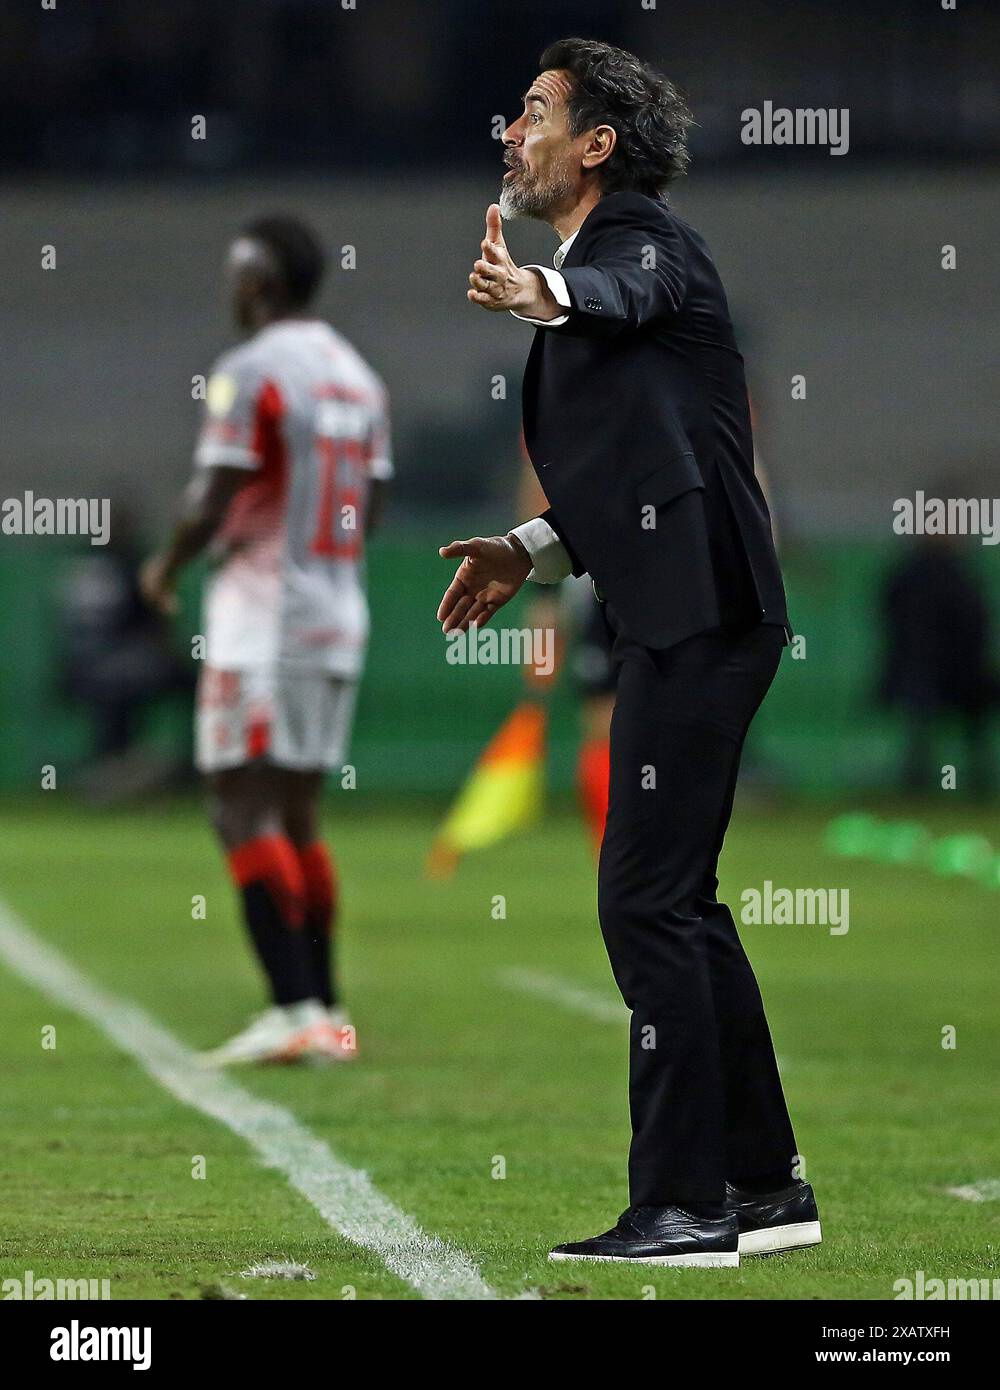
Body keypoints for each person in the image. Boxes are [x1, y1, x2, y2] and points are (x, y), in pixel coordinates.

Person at [437, 38, 819, 1266]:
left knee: (643, 902)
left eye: (537, 114)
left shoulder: (641, 241)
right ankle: (761, 1188)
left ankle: (683, 1205)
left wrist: (542, 295)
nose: (513, 130)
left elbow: (629, 291)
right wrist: (528, 549)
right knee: (682, 904)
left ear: (598, 146)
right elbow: (639, 473)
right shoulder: (599, 262)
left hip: (699, 616)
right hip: (686, 609)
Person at [142, 214, 392, 1066]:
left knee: (235, 803)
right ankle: (324, 1009)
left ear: (259, 282)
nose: (230, 288)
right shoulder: (358, 378)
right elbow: (373, 505)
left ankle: (293, 1009)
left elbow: (215, 490)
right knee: (297, 812)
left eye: (236, 273)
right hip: (336, 610)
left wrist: (167, 567)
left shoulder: (250, 371)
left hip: (262, 616)